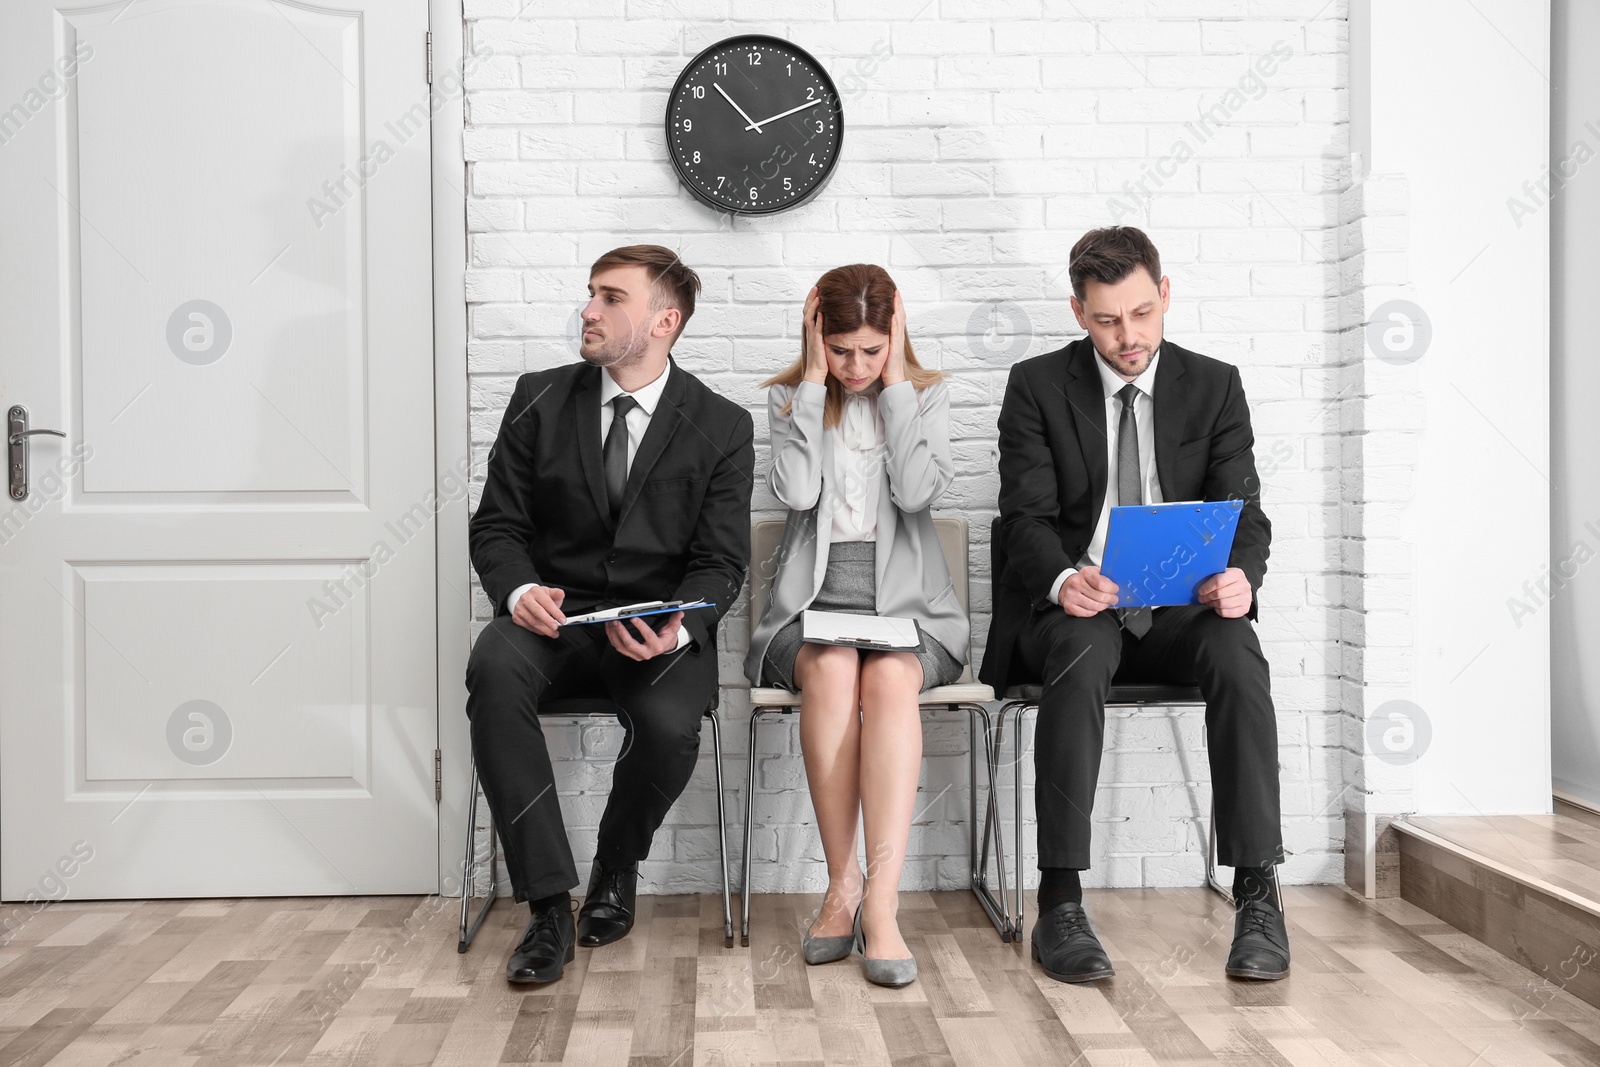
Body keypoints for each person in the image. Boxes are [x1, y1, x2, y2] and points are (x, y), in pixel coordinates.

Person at [980, 226, 1289, 984]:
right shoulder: (1036, 385)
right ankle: (1061, 899)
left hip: (1182, 610)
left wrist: (1241, 575)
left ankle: (1257, 891)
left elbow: (1245, 512)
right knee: (1081, 651)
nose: (1130, 336)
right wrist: (1061, 581)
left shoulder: (1214, 384)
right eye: (1109, 319)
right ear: (1080, 311)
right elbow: (1023, 519)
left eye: (1143, 314)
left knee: (1238, 650)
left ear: (1165, 297)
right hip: (1080, 608)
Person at [466, 244, 754, 985]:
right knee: (492, 668)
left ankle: (616, 868)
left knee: (667, 725)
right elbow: (496, 525)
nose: (588, 310)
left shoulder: (722, 426)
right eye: (590, 293)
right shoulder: (538, 395)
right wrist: (517, 590)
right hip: (552, 622)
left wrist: (682, 626)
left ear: (665, 319)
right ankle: (547, 904)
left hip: (656, 628)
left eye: (610, 297)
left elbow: (722, 562)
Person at [746, 264, 967, 988]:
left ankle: (880, 901)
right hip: (809, 610)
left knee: (891, 679)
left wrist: (898, 381)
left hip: (909, 611)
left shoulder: (924, 396)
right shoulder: (792, 396)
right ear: (818, 337)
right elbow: (798, 492)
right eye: (842, 350)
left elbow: (918, 490)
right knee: (836, 667)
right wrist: (812, 383)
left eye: (871, 349)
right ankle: (841, 886)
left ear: (895, 331)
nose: (857, 366)